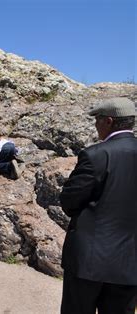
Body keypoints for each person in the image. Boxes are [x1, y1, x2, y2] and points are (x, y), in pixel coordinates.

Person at [59, 97, 137, 313]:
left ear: (108, 121)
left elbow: (69, 200)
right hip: (130, 263)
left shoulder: (95, 155)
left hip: (88, 261)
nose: (96, 126)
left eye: (97, 120)